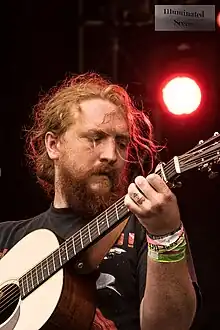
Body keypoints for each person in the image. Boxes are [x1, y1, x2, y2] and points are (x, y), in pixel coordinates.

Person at [0, 72, 200, 330]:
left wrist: (165, 236)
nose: (111, 155)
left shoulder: (147, 228)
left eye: (121, 143)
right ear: (53, 144)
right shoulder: (6, 239)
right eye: (95, 138)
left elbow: (171, 326)